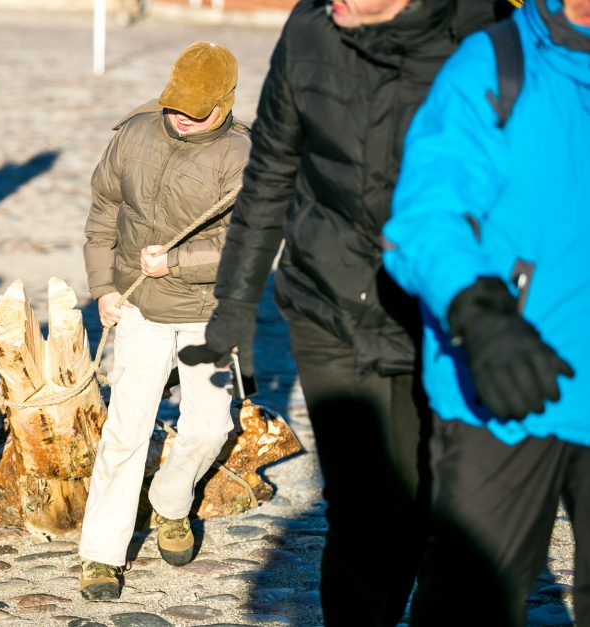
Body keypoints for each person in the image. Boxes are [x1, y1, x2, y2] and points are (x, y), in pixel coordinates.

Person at [178, 0, 503, 624]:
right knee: (358, 506)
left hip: (429, 308)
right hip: (325, 300)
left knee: (417, 502)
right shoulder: (310, 28)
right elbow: (270, 167)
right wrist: (235, 300)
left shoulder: (481, 35)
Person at [381, 0, 589, 623]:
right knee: (468, 605)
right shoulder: (498, 62)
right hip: (507, 383)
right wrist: (481, 313)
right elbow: (426, 217)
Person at [77, 42, 251, 601]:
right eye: (177, 104)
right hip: (140, 310)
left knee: (210, 428)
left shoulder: (244, 156)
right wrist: (103, 288)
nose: (181, 116)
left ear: (223, 105)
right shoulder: (134, 134)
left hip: (206, 314)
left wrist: (176, 262)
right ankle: (102, 553)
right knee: (126, 432)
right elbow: (103, 212)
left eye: (197, 111)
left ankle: (171, 503)